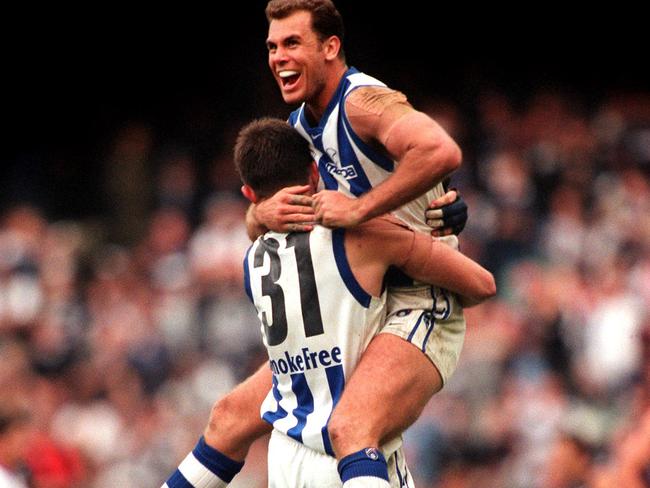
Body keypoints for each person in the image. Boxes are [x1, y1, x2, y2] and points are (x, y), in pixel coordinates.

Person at [162, 118, 494, 487]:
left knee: (228, 416)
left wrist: (256, 216)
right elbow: (481, 284)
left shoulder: (251, 258)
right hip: (351, 464)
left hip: (288, 454)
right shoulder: (362, 236)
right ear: (315, 173)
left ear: (248, 193)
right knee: (351, 425)